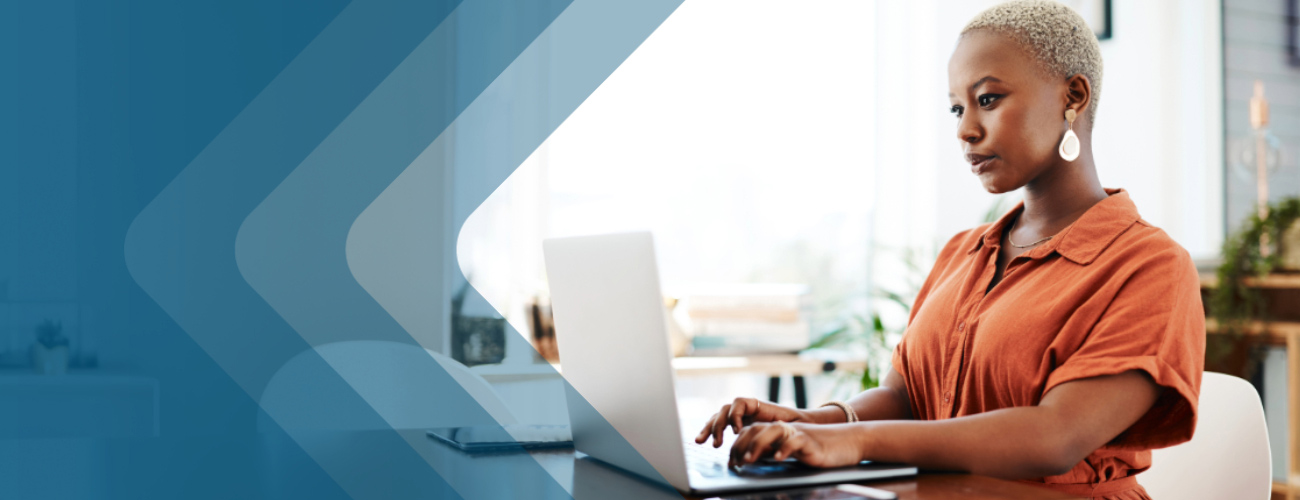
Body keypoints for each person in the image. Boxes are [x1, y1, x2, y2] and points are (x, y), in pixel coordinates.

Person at [692, 2, 1205, 499]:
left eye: (988, 100)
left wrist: (851, 442)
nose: (965, 130)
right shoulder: (965, 253)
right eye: (957, 107)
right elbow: (904, 397)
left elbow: (1055, 437)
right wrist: (809, 423)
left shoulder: (1149, 266)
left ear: (1072, 95)